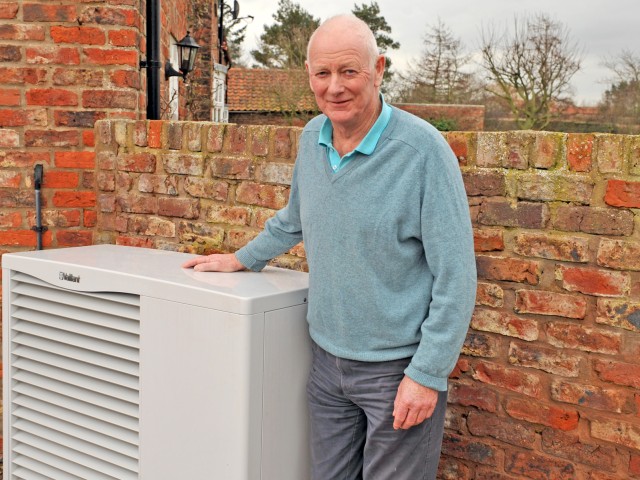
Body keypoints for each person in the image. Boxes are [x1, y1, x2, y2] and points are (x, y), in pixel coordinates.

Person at [182, 14, 476, 480]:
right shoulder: (311, 138)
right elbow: (294, 219)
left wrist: (426, 375)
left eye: (349, 71)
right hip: (325, 364)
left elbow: (456, 277)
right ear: (309, 75)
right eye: (323, 73)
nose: (334, 87)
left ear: (378, 69)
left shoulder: (423, 152)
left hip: (396, 370)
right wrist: (241, 258)